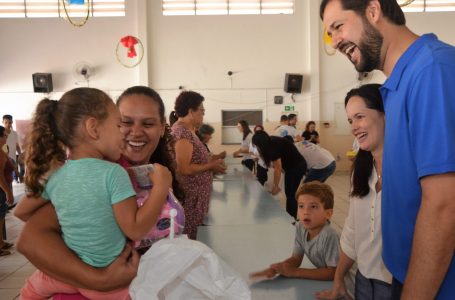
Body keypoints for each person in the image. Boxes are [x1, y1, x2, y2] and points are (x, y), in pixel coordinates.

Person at [320, 1, 455, 299]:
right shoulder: (396, 86)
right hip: (405, 273)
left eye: (338, 27)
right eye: (330, 34)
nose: (335, 41)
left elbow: (445, 205)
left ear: (373, 11)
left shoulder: (431, 71)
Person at [15, 87, 172, 299]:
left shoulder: (62, 175)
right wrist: (99, 279)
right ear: (94, 128)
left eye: (148, 123)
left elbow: (21, 212)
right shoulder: (110, 172)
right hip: (110, 286)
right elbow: (28, 240)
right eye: (122, 123)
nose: (133, 131)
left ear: (162, 127)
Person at [317, 84, 392, 300]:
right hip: (364, 280)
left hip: (401, 284)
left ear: (386, 114)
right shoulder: (360, 172)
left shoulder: (411, 172)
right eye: (350, 120)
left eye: (359, 117)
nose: (354, 127)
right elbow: (352, 230)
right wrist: (339, 279)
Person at [250, 181, 339, 281]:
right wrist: (279, 268)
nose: (305, 212)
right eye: (301, 206)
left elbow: (333, 273)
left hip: (347, 287)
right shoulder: (300, 227)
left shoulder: (329, 235)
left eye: (313, 206)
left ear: (328, 213)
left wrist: (295, 272)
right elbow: (296, 259)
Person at [171, 91, 226, 239]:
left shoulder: (190, 132)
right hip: (190, 200)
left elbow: (196, 161)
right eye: (202, 111)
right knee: (190, 240)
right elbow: (184, 168)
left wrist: (213, 163)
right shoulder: (182, 132)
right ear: (191, 111)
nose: (203, 115)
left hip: (196, 198)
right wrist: (211, 166)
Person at [252, 130, 307, 219]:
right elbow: (278, 167)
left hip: (297, 167)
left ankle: (292, 219)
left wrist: (276, 186)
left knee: (290, 195)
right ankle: (291, 216)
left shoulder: (272, 147)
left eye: (257, 145)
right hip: (291, 167)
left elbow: (277, 169)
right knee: (289, 193)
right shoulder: (271, 141)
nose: (257, 148)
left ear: (261, 143)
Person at [0, 126, 14, 256]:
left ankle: (1, 242)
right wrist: (7, 192)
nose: (6, 137)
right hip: (1, 189)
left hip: (2, 188)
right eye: (4, 135)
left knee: (2, 216)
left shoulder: (2, 151)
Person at [2, 115, 22, 183]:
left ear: (12, 122)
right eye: (6, 122)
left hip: (13, 157)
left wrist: (20, 155)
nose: (8, 124)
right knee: (6, 177)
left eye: (10, 122)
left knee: (11, 178)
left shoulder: (14, 134)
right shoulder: (1, 134)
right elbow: (3, 146)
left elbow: (17, 146)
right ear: (3, 122)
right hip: (4, 158)